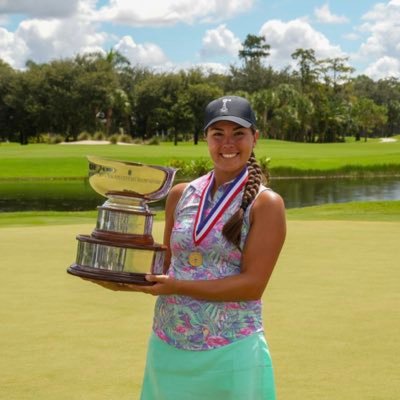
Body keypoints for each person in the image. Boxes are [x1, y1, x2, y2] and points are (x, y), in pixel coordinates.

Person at [95, 95, 286, 399]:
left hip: (231, 346)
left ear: (255, 138)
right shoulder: (181, 194)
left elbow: (252, 285)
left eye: (238, 134)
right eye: (217, 134)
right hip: (169, 342)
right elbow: (166, 268)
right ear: (205, 139)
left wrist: (177, 287)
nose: (228, 144)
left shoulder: (266, 203)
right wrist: (123, 278)